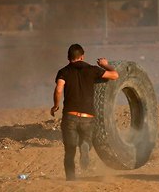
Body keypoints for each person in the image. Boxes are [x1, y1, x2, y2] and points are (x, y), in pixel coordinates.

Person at [50, 43, 119, 181]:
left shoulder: (63, 71)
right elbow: (115, 75)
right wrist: (105, 64)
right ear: (82, 57)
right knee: (86, 140)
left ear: (68, 58)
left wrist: (55, 105)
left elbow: (59, 89)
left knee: (69, 151)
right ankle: (85, 145)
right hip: (88, 116)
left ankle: (70, 179)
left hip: (70, 116)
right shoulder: (92, 70)